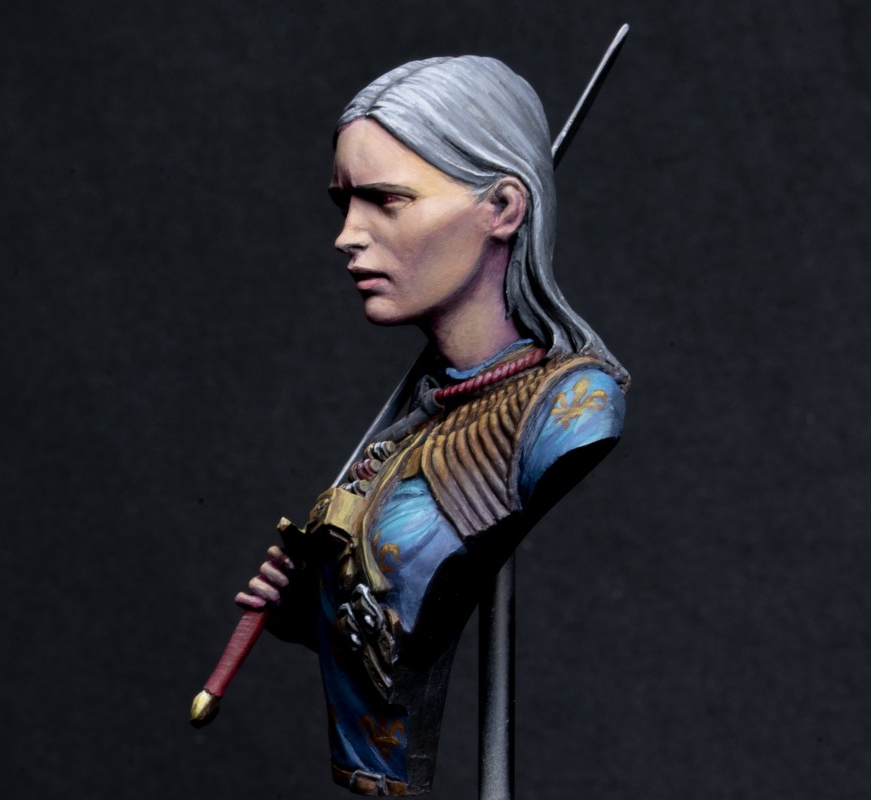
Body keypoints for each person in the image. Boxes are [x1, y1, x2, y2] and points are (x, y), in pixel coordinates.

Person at [235, 55, 627, 796]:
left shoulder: (568, 410)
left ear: (503, 207)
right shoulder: (413, 423)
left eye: (386, 200)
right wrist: (314, 607)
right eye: (344, 203)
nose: (347, 235)